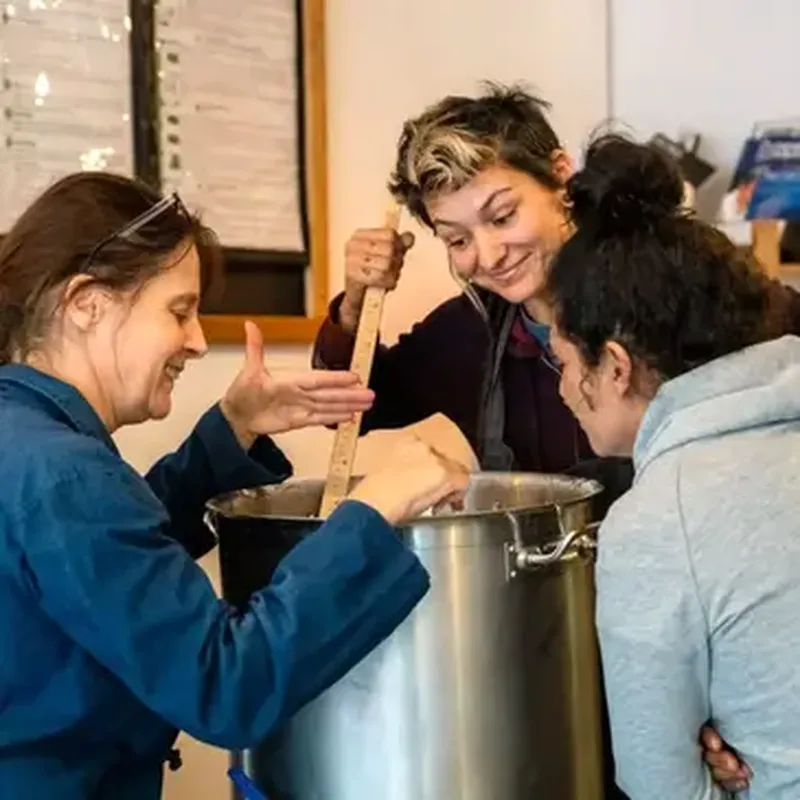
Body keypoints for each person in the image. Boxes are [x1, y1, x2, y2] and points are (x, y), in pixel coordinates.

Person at [0, 172, 469, 799]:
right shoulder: (64, 474)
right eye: (180, 311)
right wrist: (373, 508)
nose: (196, 340)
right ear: (86, 302)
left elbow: (108, 565)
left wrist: (234, 427)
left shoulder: (25, 440)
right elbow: (226, 685)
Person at [545, 132, 800, 798]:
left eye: (566, 364)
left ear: (617, 367)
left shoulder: (658, 521)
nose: (562, 389)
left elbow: (664, 788)